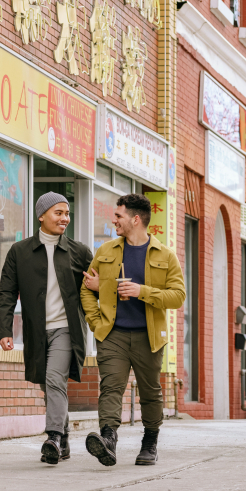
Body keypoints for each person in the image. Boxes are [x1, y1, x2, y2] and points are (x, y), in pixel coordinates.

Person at [80, 193, 185, 467]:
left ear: (135, 219)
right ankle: (108, 439)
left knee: (150, 391)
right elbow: (86, 288)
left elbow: (178, 296)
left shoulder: (166, 255)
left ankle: (150, 441)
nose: (113, 220)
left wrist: (143, 291)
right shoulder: (106, 252)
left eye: (119, 216)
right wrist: (96, 322)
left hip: (148, 336)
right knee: (111, 387)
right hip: (112, 334)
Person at [0, 192, 94, 465]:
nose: (65, 218)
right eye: (58, 213)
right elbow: (7, 292)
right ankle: (63, 437)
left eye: (67, 213)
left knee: (53, 378)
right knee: (48, 384)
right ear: (41, 215)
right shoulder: (20, 251)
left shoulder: (79, 251)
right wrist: (4, 329)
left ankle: (51, 437)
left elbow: (96, 289)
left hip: (67, 329)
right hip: (37, 331)